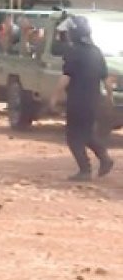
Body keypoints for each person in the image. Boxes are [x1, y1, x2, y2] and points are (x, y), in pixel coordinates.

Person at [50, 15, 114, 181]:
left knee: (73, 137)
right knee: (86, 134)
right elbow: (106, 79)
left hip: (77, 101)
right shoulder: (96, 51)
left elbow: (66, 77)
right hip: (93, 101)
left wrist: (54, 98)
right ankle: (105, 159)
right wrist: (109, 98)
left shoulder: (72, 52)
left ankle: (85, 170)